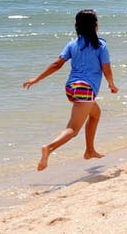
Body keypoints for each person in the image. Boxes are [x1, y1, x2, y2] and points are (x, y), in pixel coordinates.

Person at [23, 9, 119, 171]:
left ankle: (90, 150)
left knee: (95, 114)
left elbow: (57, 64)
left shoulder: (72, 44)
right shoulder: (101, 45)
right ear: (95, 26)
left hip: (71, 87)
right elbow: (106, 69)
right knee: (73, 129)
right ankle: (49, 148)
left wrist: (37, 79)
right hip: (85, 90)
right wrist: (111, 84)